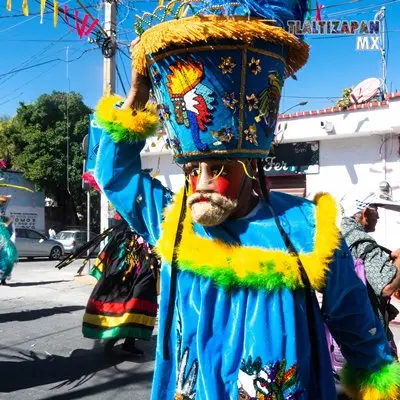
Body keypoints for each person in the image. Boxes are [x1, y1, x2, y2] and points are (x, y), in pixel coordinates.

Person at [93, 1, 400, 398]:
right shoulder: (173, 220)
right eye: (193, 170)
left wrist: (378, 384)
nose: (201, 182)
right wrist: (134, 99)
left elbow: (357, 326)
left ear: (251, 168)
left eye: (218, 168)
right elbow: (114, 176)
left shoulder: (306, 226)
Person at [81, 219, 160, 356]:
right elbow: (110, 250)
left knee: (137, 303)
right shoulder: (123, 233)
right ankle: (115, 333)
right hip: (123, 267)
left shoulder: (153, 224)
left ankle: (129, 342)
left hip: (145, 269)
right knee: (120, 302)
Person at [341, 191, 400, 359]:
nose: (379, 217)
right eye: (375, 210)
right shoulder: (362, 242)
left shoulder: (339, 237)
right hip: (371, 338)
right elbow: (387, 287)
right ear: (364, 212)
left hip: (344, 330)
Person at [0, 196, 18, 285]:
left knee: (7, 259)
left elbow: (11, 229)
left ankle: (3, 279)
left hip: (5, 242)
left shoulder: (6, 218)